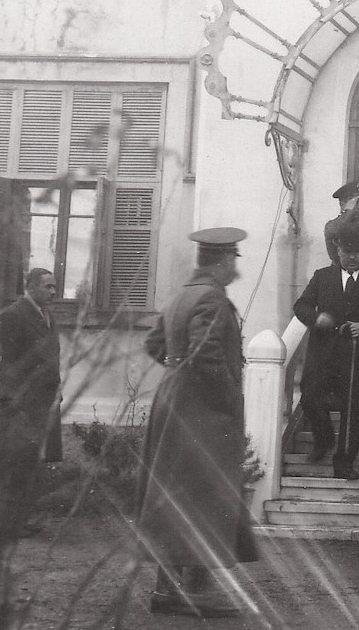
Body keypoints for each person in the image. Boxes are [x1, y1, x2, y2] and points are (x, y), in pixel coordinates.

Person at [136, 228, 256, 618]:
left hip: (173, 405)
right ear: (222, 260)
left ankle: (169, 589)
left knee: (176, 496)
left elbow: (155, 345)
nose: (235, 267)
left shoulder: (182, 296)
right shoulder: (211, 299)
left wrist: (176, 371)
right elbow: (207, 356)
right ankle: (192, 593)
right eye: (232, 259)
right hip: (200, 414)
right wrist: (229, 400)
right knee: (204, 497)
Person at [293, 221, 359, 480]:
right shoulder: (322, 277)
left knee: (354, 408)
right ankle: (324, 438)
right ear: (337, 251)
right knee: (310, 397)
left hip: (356, 356)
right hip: (324, 353)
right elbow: (301, 306)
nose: (352, 258)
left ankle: (344, 461)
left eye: (357, 252)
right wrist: (317, 319)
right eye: (347, 252)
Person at [0, 267, 62, 539]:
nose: (54, 292)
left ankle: (22, 519)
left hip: (43, 403)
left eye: (55, 287)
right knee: (15, 463)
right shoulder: (12, 316)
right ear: (30, 287)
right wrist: (12, 400)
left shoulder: (48, 316)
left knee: (32, 463)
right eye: (48, 287)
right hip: (20, 405)